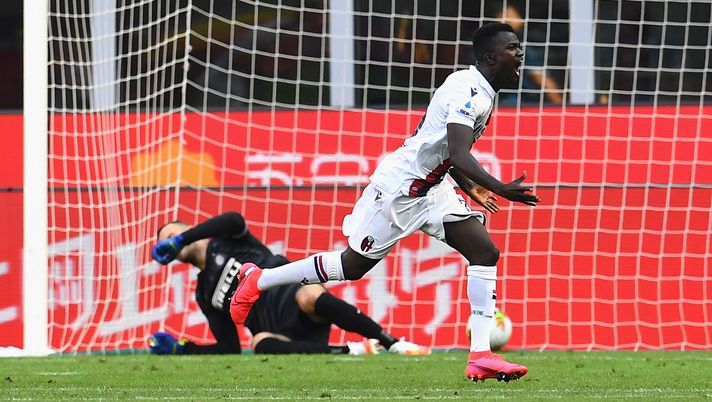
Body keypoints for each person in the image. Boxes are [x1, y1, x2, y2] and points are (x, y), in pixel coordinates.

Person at [212, 23, 536, 381]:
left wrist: (469, 186)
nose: (520, 53)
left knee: (484, 251)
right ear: (491, 57)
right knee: (352, 266)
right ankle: (259, 279)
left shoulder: (482, 90)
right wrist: (498, 186)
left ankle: (480, 356)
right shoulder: (468, 93)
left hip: (432, 190)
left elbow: (440, 147)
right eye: (513, 47)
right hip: (400, 190)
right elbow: (458, 152)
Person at [149, 211, 431, 356]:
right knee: (259, 343)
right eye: (165, 241)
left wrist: (181, 239)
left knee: (308, 294)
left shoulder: (226, 239)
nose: (169, 241)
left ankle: (391, 343)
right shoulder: (204, 291)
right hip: (279, 334)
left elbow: (234, 219)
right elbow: (229, 347)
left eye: (173, 233)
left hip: (295, 297)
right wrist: (182, 347)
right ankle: (353, 350)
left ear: (188, 231)